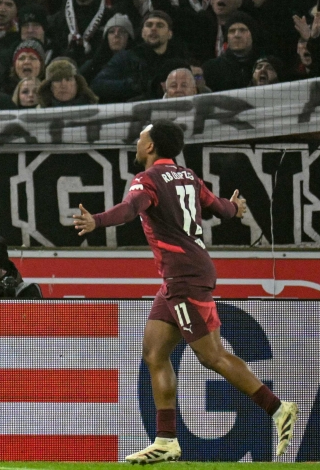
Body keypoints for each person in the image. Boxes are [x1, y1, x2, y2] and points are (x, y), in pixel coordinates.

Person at [72, 120, 298, 463]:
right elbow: (220, 208)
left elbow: (131, 208)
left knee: (212, 356)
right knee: (154, 351)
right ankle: (166, 441)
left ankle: (278, 408)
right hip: (184, 274)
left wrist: (97, 221)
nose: (137, 143)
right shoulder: (188, 177)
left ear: (150, 147)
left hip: (183, 276)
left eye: (140, 138)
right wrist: (234, 208)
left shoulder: (146, 180)